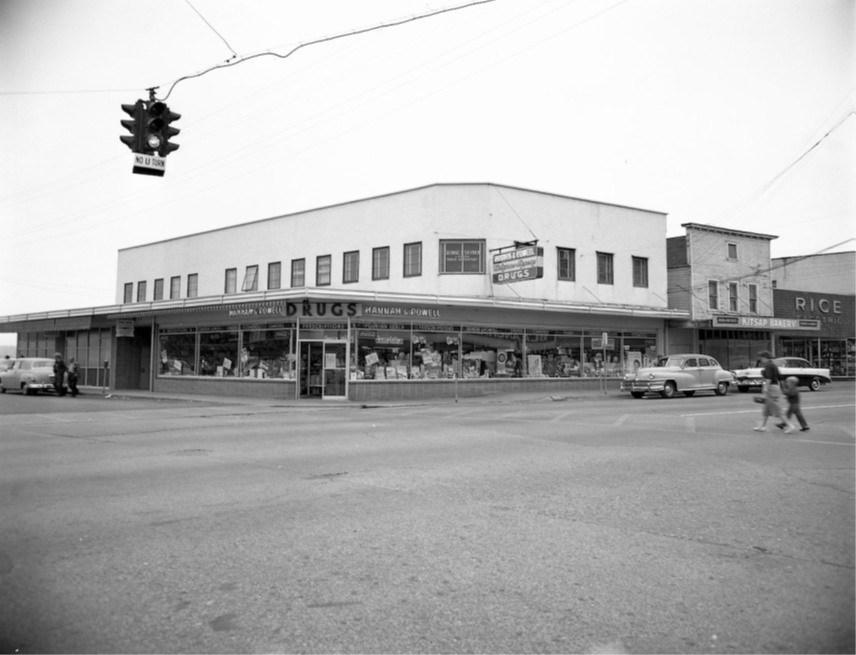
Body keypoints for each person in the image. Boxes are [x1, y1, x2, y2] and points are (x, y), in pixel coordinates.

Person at [754, 350, 785, 432]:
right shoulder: (773, 365)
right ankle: (762, 426)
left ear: (764, 357)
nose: (760, 360)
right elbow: (779, 377)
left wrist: (765, 388)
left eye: (761, 358)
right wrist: (782, 388)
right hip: (775, 387)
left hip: (771, 387)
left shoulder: (768, 365)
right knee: (767, 408)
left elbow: (769, 378)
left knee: (776, 407)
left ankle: (787, 423)